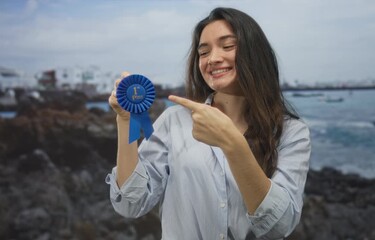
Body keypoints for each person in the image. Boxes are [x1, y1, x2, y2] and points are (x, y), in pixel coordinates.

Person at [106, 7, 311, 239]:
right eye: (204, 52)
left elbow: (279, 227)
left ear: (255, 53)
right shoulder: (175, 121)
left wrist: (233, 145)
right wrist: (124, 120)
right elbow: (131, 203)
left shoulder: (291, 132)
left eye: (228, 46)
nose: (212, 59)